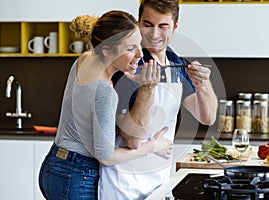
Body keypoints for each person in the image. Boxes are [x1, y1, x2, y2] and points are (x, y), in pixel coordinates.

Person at [38, 10, 173, 200]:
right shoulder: (105, 92)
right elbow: (106, 156)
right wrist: (153, 146)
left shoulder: (84, 59)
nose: (139, 54)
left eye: (138, 45)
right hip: (76, 175)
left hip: (53, 166)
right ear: (107, 50)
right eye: (130, 48)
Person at [99, 0, 218, 199]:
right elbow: (133, 138)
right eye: (148, 25)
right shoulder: (128, 65)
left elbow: (207, 117)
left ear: (175, 27)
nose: (154, 35)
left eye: (163, 26)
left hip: (159, 182)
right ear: (138, 23)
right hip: (123, 185)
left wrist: (203, 84)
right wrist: (147, 89)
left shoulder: (176, 63)